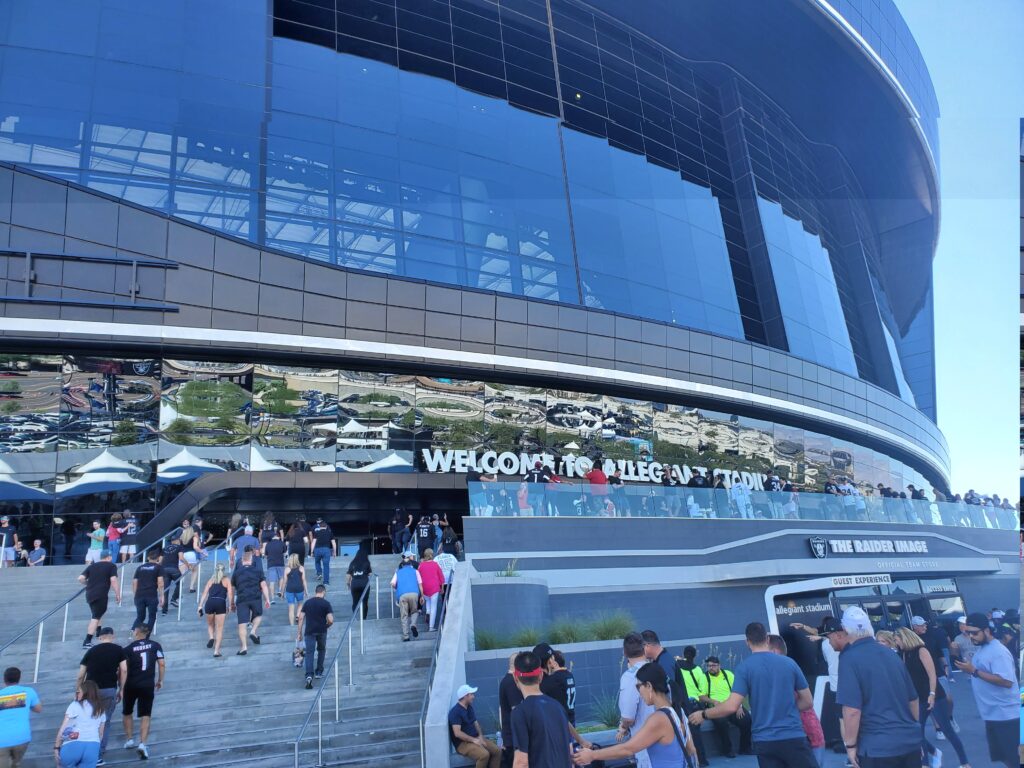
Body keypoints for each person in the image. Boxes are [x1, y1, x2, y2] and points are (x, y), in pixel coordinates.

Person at [688, 622, 815, 768]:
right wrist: (785, 710)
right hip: (794, 737)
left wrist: (703, 714)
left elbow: (731, 706)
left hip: (765, 742)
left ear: (747, 642)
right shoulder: (790, 663)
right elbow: (807, 701)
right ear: (767, 639)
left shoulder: (745, 668)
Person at [834, 607, 921, 768]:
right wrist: (913, 730)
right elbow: (913, 700)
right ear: (870, 626)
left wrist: (851, 746)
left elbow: (852, 710)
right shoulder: (891, 654)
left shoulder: (849, 659)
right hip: (909, 741)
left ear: (845, 629)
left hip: (876, 748)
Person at [576, 661, 697, 768]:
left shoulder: (659, 719)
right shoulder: (676, 712)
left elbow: (628, 749)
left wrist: (592, 755)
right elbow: (691, 750)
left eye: (638, 686)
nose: (638, 691)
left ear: (648, 686)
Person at [892, 627, 969, 768]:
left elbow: (932, 674)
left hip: (934, 696)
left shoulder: (921, 650)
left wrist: (932, 694)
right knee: (918, 732)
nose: (896, 643)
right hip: (918, 698)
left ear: (904, 638)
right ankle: (925, 764)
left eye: (897, 640)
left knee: (947, 730)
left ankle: (965, 763)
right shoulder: (902, 654)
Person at [954, 612, 1018, 768]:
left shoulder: (998, 652)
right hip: (992, 715)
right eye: (968, 633)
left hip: (1008, 716)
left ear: (986, 630)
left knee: (1016, 759)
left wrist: (974, 671)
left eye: (974, 633)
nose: (971, 637)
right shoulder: (982, 649)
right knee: (1004, 758)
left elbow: (1007, 681)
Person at [509, 651, 572, 768]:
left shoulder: (520, 713)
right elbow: (569, 750)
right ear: (541, 675)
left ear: (515, 677)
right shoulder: (558, 707)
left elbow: (521, 763)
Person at [76, 626, 126, 762]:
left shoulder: (91, 651)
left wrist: (78, 689)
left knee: (89, 720)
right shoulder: (119, 650)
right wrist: (121, 689)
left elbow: (81, 674)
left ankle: (84, 752)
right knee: (105, 721)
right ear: (113, 636)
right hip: (109, 689)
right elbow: (124, 670)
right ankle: (98, 756)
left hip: (90, 690)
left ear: (99, 638)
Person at [121, 626, 164, 761]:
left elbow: (123, 669)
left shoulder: (127, 649)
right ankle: (143, 743)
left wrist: (120, 687)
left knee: (127, 711)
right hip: (147, 684)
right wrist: (160, 680)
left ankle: (129, 739)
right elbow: (162, 664)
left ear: (138, 632)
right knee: (146, 714)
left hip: (130, 684)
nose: (133, 633)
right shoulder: (155, 645)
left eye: (134, 631)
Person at [700, 655, 752, 758]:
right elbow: (701, 697)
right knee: (722, 723)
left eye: (713, 665)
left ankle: (745, 748)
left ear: (719, 665)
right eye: (709, 666)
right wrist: (714, 701)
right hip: (716, 708)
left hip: (731, 705)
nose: (711, 668)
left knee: (746, 720)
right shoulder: (704, 677)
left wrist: (739, 705)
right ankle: (727, 750)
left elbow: (738, 691)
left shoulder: (728, 674)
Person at [617, 633, 656, 768]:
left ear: (624, 652)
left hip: (644, 742)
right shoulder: (657, 669)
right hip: (665, 736)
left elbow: (628, 718)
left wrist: (623, 728)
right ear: (644, 648)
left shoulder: (629, 677)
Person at [230, 545, 271, 655]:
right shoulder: (258, 570)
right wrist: (267, 599)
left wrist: (231, 603)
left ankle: (244, 647)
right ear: (251, 559)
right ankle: (253, 631)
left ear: (242, 561)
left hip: (242, 599)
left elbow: (232, 588)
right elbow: (264, 585)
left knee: (242, 624)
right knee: (258, 615)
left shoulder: (237, 573)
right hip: (255, 597)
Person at [54, 681, 105, 768]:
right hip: (92, 747)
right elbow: (101, 734)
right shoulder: (100, 709)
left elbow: (63, 728)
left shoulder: (74, 705)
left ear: (85, 693)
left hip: (72, 746)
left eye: (79, 691)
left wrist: (56, 747)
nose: (77, 693)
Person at [448, 683, 500, 768]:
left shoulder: (469, 707)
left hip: (475, 738)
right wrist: (473, 740)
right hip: (462, 744)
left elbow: (475, 723)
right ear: (465, 696)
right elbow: (457, 733)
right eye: (471, 694)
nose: (473, 696)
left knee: (497, 751)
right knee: (484, 755)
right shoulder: (455, 712)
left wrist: (480, 736)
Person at [675, 645, 710, 767]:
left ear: (684, 654)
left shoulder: (678, 667)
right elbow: (702, 691)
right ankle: (702, 760)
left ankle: (692, 761)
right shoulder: (698, 670)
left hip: (683, 704)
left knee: (686, 734)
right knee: (696, 734)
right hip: (696, 705)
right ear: (695, 656)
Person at [78, 550, 120, 649]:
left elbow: (80, 578)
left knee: (97, 613)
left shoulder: (92, 566)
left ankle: (98, 632)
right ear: (109, 557)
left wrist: (88, 584)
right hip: (101, 594)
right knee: (95, 617)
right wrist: (118, 594)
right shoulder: (111, 566)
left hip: (90, 594)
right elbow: (113, 580)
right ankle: (87, 641)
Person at [0, 666, 41, 768]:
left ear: (4, 679)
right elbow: (38, 709)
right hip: (22, 738)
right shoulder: (29, 691)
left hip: (2, 740)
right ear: (19, 678)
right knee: (16, 763)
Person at [296, 585, 334, 689]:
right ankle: (319, 671)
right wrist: (327, 626)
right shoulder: (326, 604)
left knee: (309, 653)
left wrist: (299, 633)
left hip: (309, 631)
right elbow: (331, 619)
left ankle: (309, 676)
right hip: (322, 631)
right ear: (324, 592)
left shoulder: (308, 603)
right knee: (321, 650)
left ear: (315, 591)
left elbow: (300, 618)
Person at [641, 630, 684, 714]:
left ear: (647, 646)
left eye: (641, 647)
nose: (641, 651)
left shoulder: (664, 663)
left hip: (676, 716)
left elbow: (669, 695)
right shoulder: (660, 660)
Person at [198, 563, 232, 657]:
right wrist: (230, 605)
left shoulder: (211, 580)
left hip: (210, 602)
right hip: (220, 602)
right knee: (219, 628)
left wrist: (200, 606)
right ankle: (216, 651)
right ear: (223, 570)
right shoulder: (226, 580)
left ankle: (211, 637)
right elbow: (230, 594)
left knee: (210, 624)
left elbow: (204, 593)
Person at [497, 653, 524, 768]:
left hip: (510, 736)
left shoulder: (506, 681)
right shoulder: (511, 683)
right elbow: (517, 711)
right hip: (513, 737)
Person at [390, 555, 423, 642]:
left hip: (402, 595)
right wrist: (422, 596)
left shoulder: (398, 572)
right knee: (414, 611)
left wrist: (398, 588)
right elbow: (420, 584)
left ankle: (406, 636)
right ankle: (413, 624)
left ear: (402, 565)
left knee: (404, 615)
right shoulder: (415, 571)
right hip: (414, 594)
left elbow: (392, 584)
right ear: (410, 564)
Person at [131, 549, 164, 633]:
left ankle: (133, 632)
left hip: (139, 595)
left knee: (140, 617)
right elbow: (160, 583)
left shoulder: (140, 567)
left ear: (148, 558)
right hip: (151, 595)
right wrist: (162, 596)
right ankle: (146, 636)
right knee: (152, 617)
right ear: (157, 559)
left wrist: (135, 595)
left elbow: (134, 582)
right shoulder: (158, 567)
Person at [418, 549, 445, 631]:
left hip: (425, 589)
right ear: (431, 555)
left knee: (428, 603)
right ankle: (431, 627)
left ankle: (427, 612)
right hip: (434, 587)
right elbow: (441, 577)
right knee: (434, 607)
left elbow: (418, 578)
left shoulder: (421, 565)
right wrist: (442, 588)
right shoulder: (435, 564)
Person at [345, 542, 373, 619]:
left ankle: (355, 617)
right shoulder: (367, 562)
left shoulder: (353, 562)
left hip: (355, 583)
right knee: (364, 602)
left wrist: (348, 584)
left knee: (355, 602)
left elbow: (348, 575)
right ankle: (363, 618)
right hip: (364, 583)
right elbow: (370, 574)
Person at [158, 535, 184, 615]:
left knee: (165, 590)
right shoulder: (179, 547)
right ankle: (174, 598)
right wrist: (188, 564)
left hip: (164, 570)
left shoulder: (164, 548)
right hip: (174, 569)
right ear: (177, 541)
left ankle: (164, 611)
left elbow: (160, 561)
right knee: (180, 584)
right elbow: (181, 558)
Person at [283, 553, 308, 626]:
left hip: (289, 589)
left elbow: (284, 582)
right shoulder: (301, 568)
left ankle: (291, 625)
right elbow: (304, 580)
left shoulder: (287, 569)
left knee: (291, 609)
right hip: (299, 588)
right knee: (300, 604)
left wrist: (282, 592)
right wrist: (306, 591)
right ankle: (297, 616)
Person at [310, 517, 335, 586]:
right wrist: (334, 552)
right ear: (326, 526)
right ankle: (326, 582)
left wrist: (311, 552)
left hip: (317, 550)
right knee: (326, 566)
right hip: (326, 550)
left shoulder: (316, 533)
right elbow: (333, 543)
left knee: (317, 562)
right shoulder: (330, 533)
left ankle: (319, 573)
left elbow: (313, 542)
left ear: (319, 526)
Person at [263, 533, 286, 602]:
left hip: (271, 564)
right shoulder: (282, 543)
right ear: (278, 537)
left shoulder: (268, 544)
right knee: (281, 577)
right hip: (280, 563)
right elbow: (284, 552)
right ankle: (280, 591)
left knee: (272, 581)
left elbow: (266, 554)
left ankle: (272, 599)